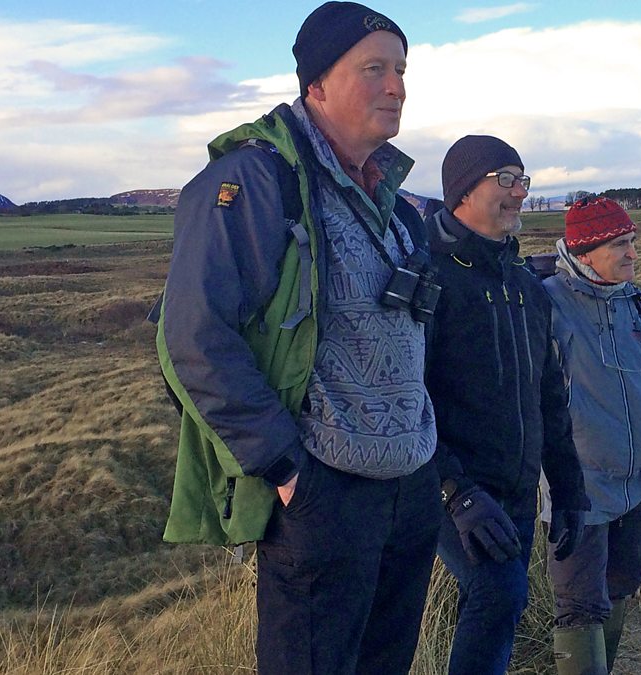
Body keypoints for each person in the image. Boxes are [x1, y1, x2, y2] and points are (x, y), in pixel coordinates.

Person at [152, 3, 440, 673]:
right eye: (374, 69)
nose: (396, 87)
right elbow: (193, 336)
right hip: (324, 492)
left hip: (410, 487)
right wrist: (284, 468)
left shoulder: (394, 201)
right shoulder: (257, 180)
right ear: (316, 84)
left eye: (401, 70)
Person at [424, 135, 590, 675]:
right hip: (453, 490)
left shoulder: (526, 287)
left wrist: (568, 490)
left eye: (523, 180)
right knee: (499, 593)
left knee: (503, 603)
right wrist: (456, 492)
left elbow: (549, 397)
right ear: (462, 191)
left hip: (515, 490)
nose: (520, 192)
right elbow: (407, 400)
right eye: (506, 180)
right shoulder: (430, 278)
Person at [540, 197, 641, 674]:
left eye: (633, 242)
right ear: (586, 252)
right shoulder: (546, 305)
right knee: (579, 606)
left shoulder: (636, 303)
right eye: (621, 244)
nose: (632, 254)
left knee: (621, 585)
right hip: (577, 489)